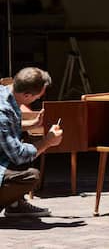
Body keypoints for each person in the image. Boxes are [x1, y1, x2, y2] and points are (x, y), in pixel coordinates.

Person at [0, 67, 63, 217]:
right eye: (37, 98)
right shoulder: (2, 111)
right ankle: (13, 204)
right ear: (27, 95)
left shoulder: (4, 91)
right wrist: (47, 141)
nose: (37, 100)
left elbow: (7, 128)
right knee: (31, 175)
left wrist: (33, 124)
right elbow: (18, 155)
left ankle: (15, 205)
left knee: (28, 147)